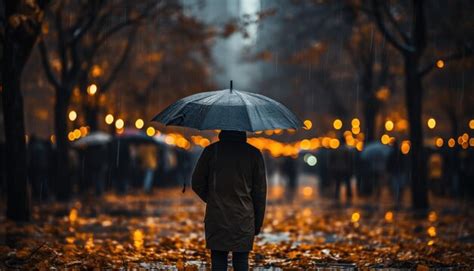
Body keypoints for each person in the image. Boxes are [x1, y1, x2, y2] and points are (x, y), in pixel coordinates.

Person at [192, 130, 267, 271]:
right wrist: (257, 224)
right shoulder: (254, 154)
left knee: (218, 260)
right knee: (241, 261)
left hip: (217, 216)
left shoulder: (211, 151)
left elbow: (197, 182)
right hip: (244, 218)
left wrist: (212, 199)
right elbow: (260, 193)